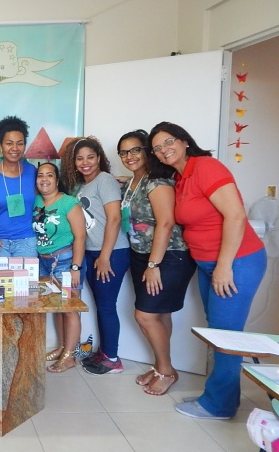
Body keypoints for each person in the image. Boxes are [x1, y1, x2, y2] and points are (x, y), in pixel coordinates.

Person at [148, 122, 266, 418]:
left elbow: (236, 215)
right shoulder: (180, 178)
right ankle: (222, 398)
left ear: (185, 141)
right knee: (218, 333)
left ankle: (218, 406)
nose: (164, 150)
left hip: (236, 262)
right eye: (157, 148)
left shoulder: (206, 167)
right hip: (207, 264)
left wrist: (224, 266)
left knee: (226, 336)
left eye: (169, 142)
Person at [117, 130, 196, 395]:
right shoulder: (134, 181)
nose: (129, 156)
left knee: (145, 315)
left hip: (169, 256)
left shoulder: (158, 181)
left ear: (147, 151)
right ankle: (161, 364)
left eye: (135, 150)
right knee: (160, 314)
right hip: (142, 255)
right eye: (124, 152)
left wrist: (153, 265)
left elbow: (165, 223)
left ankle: (167, 371)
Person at [60, 136, 130, 375]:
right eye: (80, 159)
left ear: (99, 158)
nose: (85, 162)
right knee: (101, 305)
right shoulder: (83, 185)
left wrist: (105, 256)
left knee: (106, 306)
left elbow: (114, 218)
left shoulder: (104, 180)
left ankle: (112, 359)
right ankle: (105, 352)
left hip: (111, 252)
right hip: (91, 253)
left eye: (90, 157)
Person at [32, 162, 86, 373]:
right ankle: (62, 347)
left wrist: (75, 267)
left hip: (65, 261)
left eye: (49, 175)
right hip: (44, 262)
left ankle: (69, 356)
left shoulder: (69, 203)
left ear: (57, 179)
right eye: (40, 175)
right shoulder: (37, 201)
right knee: (56, 306)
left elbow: (80, 236)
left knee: (69, 309)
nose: (44, 179)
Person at [0, 116, 38, 257]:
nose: (15, 148)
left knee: (27, 273)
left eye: (20, 143)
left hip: (27, 241)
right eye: (9, 143)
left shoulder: (32, 171)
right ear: (0, 146)